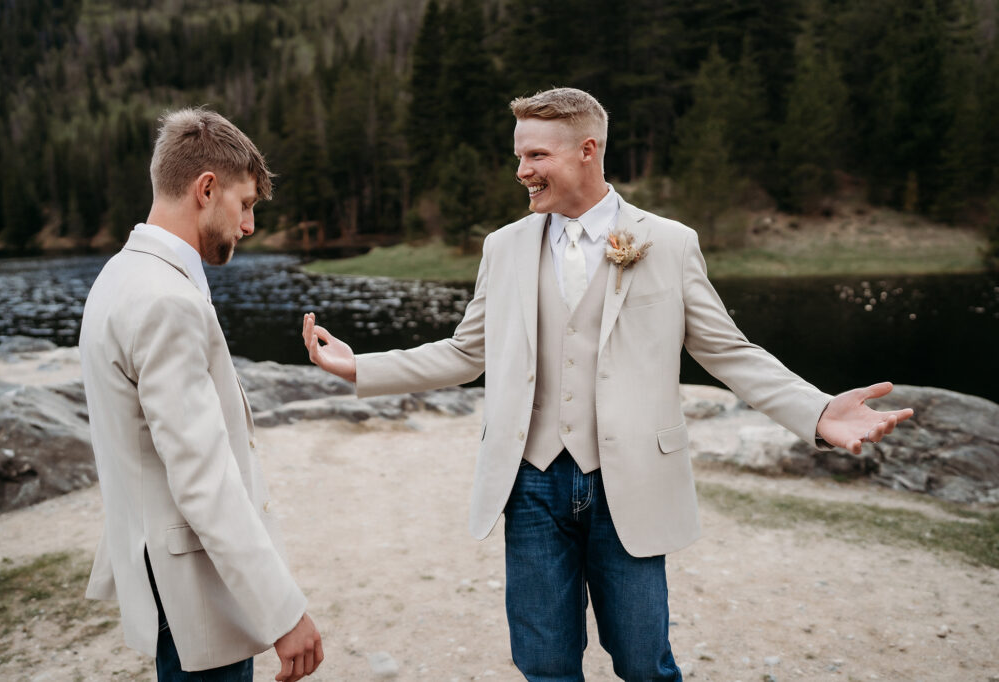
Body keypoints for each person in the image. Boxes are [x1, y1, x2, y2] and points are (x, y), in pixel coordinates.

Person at [301, 88, 912, 681]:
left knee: (644, 662)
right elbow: (467, 352)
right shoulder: (504, 247)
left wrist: (818, 411)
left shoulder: (668, 243)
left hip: (632, 483)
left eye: (536, 156)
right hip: (530, 483)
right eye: (519, 156)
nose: (521, 171)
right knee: (544, 663)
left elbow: (727, 351)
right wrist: (363, 368)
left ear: (587, 150)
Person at [80, 108, 323, 682]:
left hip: (167, 572)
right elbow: (202, 478)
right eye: (245, 205)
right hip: (192, 587)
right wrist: (282, 611)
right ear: (205, 189)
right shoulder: (165, 299)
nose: (249, 227)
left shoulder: (120, 274)